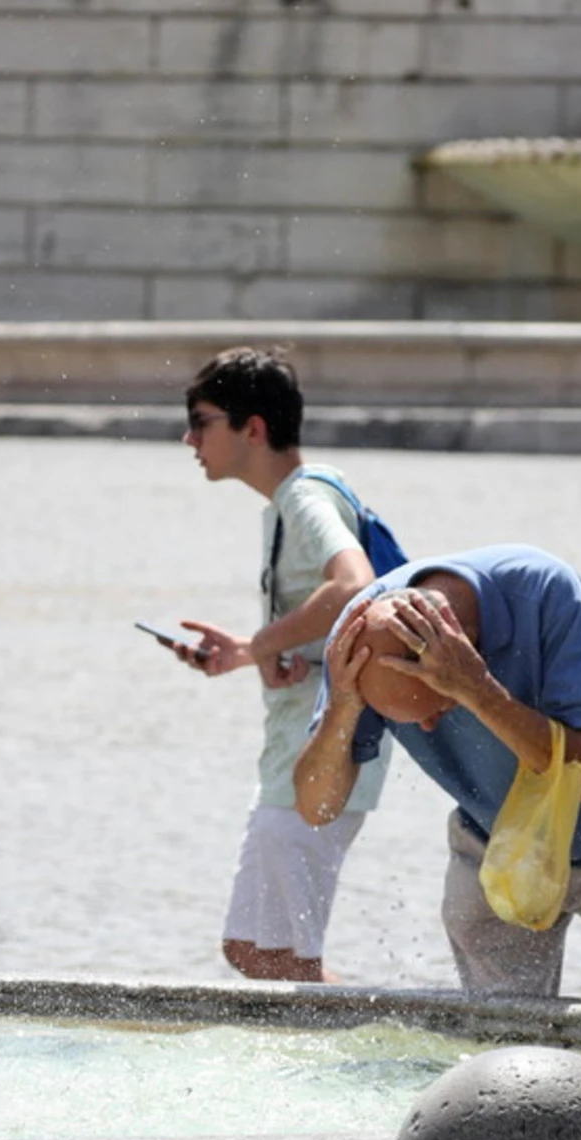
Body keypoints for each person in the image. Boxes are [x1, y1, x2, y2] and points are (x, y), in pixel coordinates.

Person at [295, 545, 581, 1004]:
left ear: (470, 648)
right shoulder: (360, 640)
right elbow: (317, 808)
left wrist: (475, 690)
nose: (431, 730)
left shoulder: (548, 594)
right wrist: (342, 710)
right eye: (409, 722)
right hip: (497, 840)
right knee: (501, 1045)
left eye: (440, 709)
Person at [162, 346, 389, 982]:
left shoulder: (304, 499)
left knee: (287, 960)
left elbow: (353, 585)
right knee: (256, 952)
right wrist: (275, 656)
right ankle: (379, 1039)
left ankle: (392, 1052)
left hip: (320, 759)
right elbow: (339, 611)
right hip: (304, 753)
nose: (189, 438)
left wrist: (251, 648)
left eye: (201, 421)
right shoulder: (295, 501)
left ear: (252, 428)